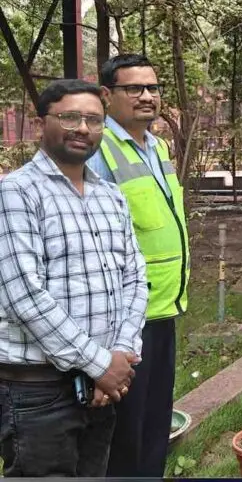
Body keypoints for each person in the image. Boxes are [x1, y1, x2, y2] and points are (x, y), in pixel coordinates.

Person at [0, 79, 147, 476]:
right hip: (40, 391)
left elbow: (134, 278)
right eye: (70, 117)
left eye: (94, 120)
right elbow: (24, 297)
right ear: (39, 124)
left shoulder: (110, 196)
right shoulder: (15, 193)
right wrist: (101, 364)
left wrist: (118, 356)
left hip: (102, 390)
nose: (83, 128)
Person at [87, 54, 188, 476]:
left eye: (153, 88)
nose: (147, 96)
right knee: (124, 434)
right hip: (124, 319)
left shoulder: (158, 147)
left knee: (153, 423)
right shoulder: (97, 152)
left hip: (164, 306)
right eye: (135, 88)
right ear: (107, 96)